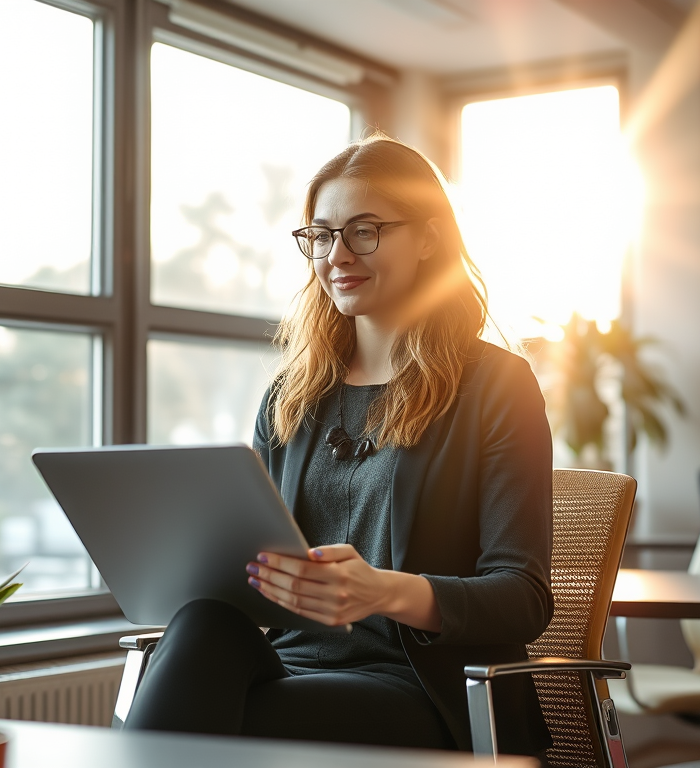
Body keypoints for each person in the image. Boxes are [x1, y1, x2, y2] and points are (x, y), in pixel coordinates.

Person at [125, 133, 554, 756]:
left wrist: (384, 590)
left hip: (421, 687)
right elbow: (251, 565)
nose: (337, 255)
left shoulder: (495, 386)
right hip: (289, 663)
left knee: (217, 723)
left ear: (429, 238)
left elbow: (523, 598)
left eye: (365, 230)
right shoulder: (291, 395)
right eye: (321, 235)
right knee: (202, 624)